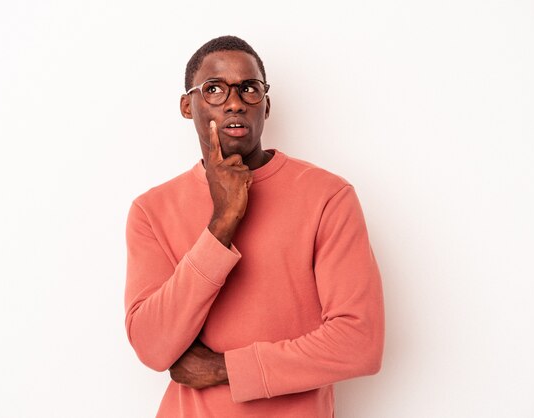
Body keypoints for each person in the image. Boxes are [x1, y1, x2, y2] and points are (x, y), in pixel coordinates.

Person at [124, 35, 384, 417]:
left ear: (266, 104)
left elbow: (359, 342)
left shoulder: (328, 196)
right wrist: (222, 224)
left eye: (249, 89)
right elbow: (153, 346)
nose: (233, 102)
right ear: (186, 105)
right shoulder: (151, 210)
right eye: (213, 89)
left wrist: (224, 368)